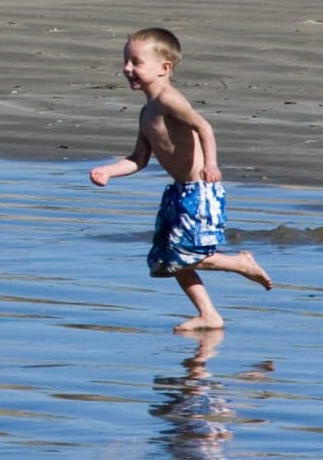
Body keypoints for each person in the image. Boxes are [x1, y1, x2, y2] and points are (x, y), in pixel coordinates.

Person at [89, 27, 272, 332]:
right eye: (125, 62)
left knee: (184, 255)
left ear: (164, 68)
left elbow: (204, 127)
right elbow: (139, 159)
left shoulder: (169, 100)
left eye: (136, 62)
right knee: (165, 259)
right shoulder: (147, 111)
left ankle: (239, 263)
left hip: (200, 190)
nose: (127, 69)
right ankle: (209, 315)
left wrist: (211, 164)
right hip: (177, 192)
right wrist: (108, 171)